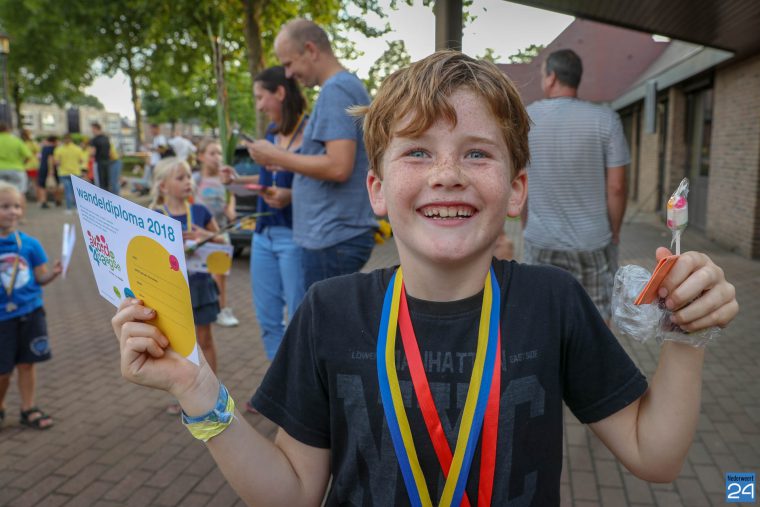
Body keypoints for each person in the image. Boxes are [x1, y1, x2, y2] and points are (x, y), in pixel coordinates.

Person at [111, 51, 738, 505]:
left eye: (477, 153)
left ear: (516, 190)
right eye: (417, 151)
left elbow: (655, 455)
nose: (447, 174)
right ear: (377, 190)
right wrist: (198, 391)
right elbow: (293, 492)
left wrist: (686, 334)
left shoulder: (553, 302)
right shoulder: (330, 311)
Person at [247, 19, 376, 290]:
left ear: (311, 50)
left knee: (322, 317)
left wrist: (276, 156)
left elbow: (338, 166)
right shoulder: (342, 87)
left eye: (288, 63)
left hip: (332, 240)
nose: (288, 73)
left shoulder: (336, 89)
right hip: (332, 238)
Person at [522, 49, 629, 323]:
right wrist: (614, 231)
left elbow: (519, 181)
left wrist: (525, 225)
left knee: (541, 314)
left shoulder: (526, 119)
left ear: (552, 78)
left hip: (541, 239)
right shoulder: (607, 119)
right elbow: (617, 187)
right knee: (596, 316)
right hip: (591, 240)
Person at [149, 157, 223, 414]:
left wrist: (205, 236)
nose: (188, 182)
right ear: (163, 186)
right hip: (171, 291)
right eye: (180, 178)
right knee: (178, 346)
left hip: (200, 285)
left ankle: (212, 394)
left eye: (189, 176)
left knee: (204, 339)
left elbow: (223, 241)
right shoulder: (155, 216)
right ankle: (184, 395)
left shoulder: (200, 211)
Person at [248, 66, 307, 370]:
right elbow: (266, 182)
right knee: (267, 317)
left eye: (261, 97)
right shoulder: (270, 133)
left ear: (280, 93)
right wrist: (236, 179)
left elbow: (324, 184)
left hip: (294, 236)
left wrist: (291, 195)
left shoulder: (310, 134)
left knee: (299, 315)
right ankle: (279, 379)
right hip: (263, 234)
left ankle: (300, 381)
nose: (259, 106)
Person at [0, 182, 62, 430]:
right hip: (2, 319)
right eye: (5, 206)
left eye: (17, 206)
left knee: (27, 364)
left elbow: (40, 278)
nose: (12, 211)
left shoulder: (30, 244)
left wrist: (53, 273)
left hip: (30, 312)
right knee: (3, 371)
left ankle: (28, 408)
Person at [194, 139, 239, 328]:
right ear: (201, 156)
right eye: (212, 153)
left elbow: (231, 198)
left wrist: (231, 211)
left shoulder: (225, 178)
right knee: (198, 274)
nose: (217, 157)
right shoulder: (195, 179)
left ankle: (222, 309)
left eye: (219, 153)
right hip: (199, 234)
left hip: (220, 232)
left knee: (220, 274)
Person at [54, 134, 87, 213]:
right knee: (75, 191)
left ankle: (69, 209)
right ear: (71, 140)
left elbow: (57, 162)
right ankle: (77, 208)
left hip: (64, 173)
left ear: (63, 140)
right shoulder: (78, 149)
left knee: (67, 191)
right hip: (76, 172)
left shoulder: (59, 149)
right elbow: (81, 161)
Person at [0, 123, 33, 195]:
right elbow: (28, 156)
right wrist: (22, 164)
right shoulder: (16, 140)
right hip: (16, 169)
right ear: (8, 130)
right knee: (19, 194)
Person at [36, 136, 59, 209]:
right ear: (54, 141)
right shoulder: (52, 148)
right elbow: (50, 159)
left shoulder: (44, 148)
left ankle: (43, 201)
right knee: (54, 184)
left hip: (42, 168)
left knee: (42, 185)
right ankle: (57, 200)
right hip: (49, 169)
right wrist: (51, 170)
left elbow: (39, 158)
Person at [88, 123, 111, 190]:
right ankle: (107, 195)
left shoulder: (94, 140)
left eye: (92, 129)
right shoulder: (106, 138)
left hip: (98, 163)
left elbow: (92, 152)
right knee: (106, 182)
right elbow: (109, 152)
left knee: (99, 183)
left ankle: (100, 195)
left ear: (95, 129)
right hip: (107, 162)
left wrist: (89, 154)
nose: (92, 131)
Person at [21, 130, 40, 200]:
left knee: (24, 182)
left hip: (23, 165)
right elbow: (38, 150)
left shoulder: (21, 143)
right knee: (35, 182)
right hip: (33, 165)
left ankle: (24, 196)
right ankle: (36, 196)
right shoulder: (33, 143)